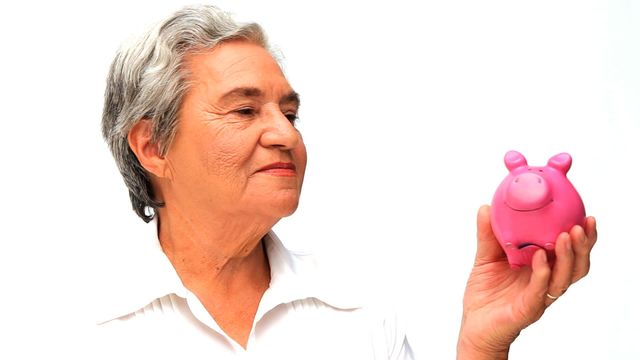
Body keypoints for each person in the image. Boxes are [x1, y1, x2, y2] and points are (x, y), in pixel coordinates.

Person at [98, 5, 597, 359]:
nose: (284, 134)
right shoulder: (82, 328)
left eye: (289, 113)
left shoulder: (361, 309)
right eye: (246, 110)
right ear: (152, 147)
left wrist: (481, 348)